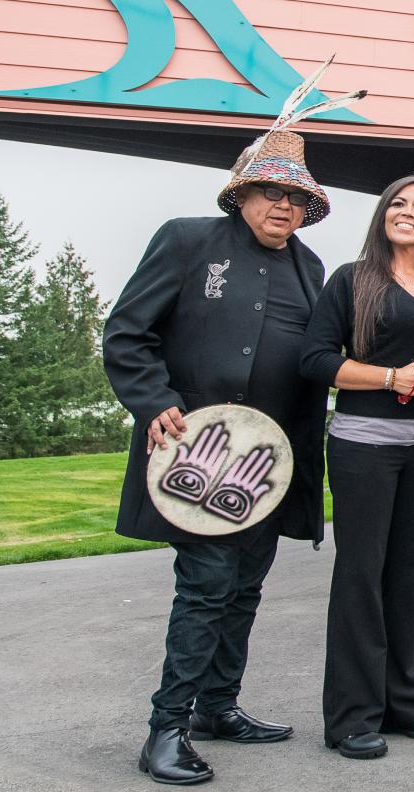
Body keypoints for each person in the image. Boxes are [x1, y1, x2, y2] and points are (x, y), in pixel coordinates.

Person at [104, 130, 330, 785]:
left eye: (295, 197)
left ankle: (218, 707)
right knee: (205, 587)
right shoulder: (186, 240)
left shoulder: (310, 267)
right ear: (243, 194)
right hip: (194, 452)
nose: (282, 206)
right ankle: (166, 730)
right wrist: (153, 401)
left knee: (246, 588)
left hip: (269, 463)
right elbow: (127, 333)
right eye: (269, 191)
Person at [300, 173, 414, 759]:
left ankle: (404, 704)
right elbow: (316, 359)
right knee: (361, 576)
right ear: (382, 216)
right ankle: (351, 717)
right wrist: (391, 377)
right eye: (398, 203)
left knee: (407, 575)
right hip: (362, 445)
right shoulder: (353, 281)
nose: (408, 213)